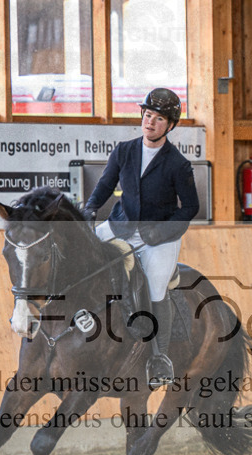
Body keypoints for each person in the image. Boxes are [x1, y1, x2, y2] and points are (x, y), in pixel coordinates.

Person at [84, 87, 199, 387]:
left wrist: (160, 231)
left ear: (170, 126)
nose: (150, 122)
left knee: (157, 283)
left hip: (159, 236)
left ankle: (159, 357)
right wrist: (91, 208)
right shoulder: (124, 150)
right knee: (84, 256)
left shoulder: (178, 164)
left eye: (159, 119)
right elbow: (106, 184)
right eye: (147, 115)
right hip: (121, 225)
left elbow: (190, 208)